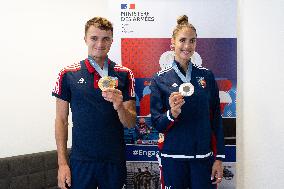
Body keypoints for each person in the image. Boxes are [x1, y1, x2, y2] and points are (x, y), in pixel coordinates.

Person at [52, 17, 136, 189]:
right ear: (85, 39)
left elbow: (131, 122)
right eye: (94, 38)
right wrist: (62, 164)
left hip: (114, 160)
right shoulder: (67, 74)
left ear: (112, 41)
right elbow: (61, 120)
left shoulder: (125, 74)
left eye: (106, 38)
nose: (100, 43)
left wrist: (120, 106)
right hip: (82, 161)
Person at [150, 15, 225, 189]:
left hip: (203, 159)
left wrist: (219, 158)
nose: (187, 46)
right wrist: (172, 114)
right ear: (172, 43)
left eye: (192, 41)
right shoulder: (159, 79)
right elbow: (157, 123)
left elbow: (215, 119)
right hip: (172, 159)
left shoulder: (206, 76)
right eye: (182, 40)